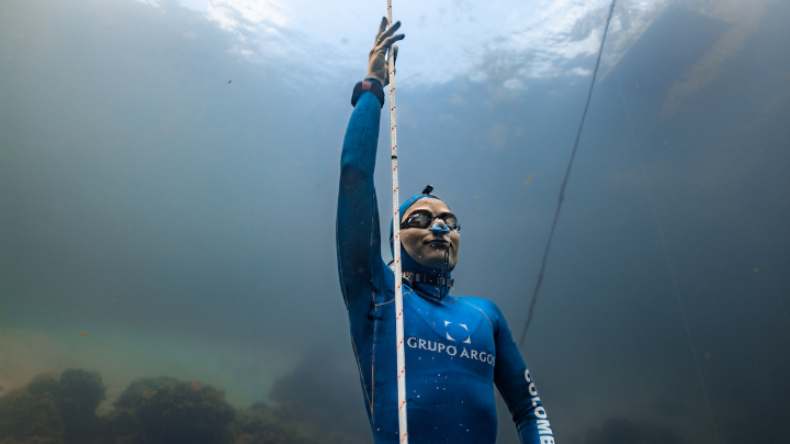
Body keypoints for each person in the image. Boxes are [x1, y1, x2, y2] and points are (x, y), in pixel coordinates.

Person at [336, 17, 555, 444]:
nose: (438, 225)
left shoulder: (485, 315)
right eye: (419, 219)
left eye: (449, 222)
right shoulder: (376, 293)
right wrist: (372, 89)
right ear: (394, 239)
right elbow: (354, 177)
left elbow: (529, 411)